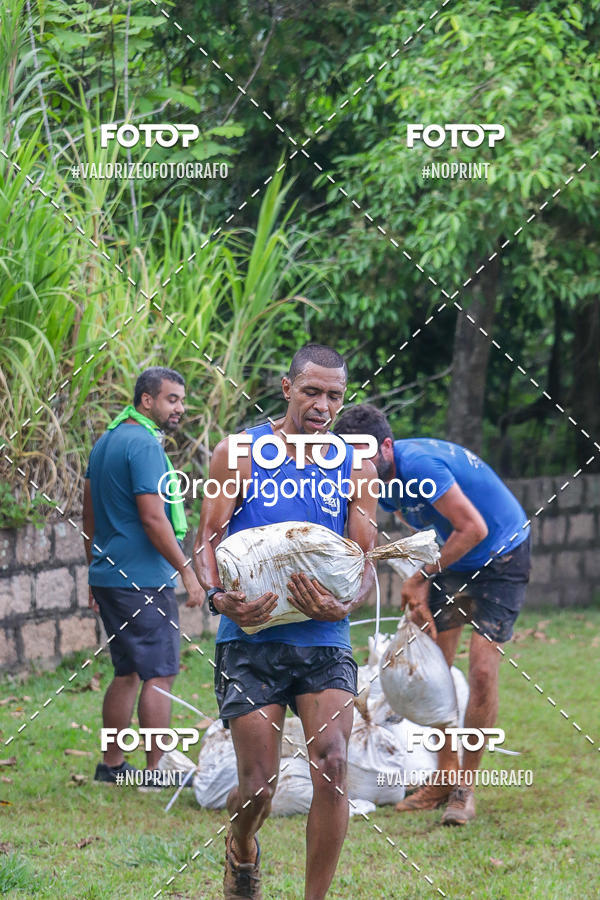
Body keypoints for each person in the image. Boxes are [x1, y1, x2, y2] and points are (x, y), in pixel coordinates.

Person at [194, 344, 378, 900]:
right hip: (250, 638)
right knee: (258, 786)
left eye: (334, 396)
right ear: (286, 387)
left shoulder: (356, 465)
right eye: (312, 392)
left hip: (323, 638)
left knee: (335, 764)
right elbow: (205, 541)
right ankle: (242, 845)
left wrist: (345, 604)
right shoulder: (240, 454)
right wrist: (217, 597)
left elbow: (364, 561)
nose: (323, 405)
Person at [334, 403, 531, 826]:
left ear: (387, 446)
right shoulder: (373, 477)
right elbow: (412, 519)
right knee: (432, 670)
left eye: (364, 456)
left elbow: (474, 528)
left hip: (501, 556)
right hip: (454, 560)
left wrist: (421, 576)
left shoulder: (420, 465)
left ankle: (465, 789)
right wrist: (424, 573)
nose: (357, 467)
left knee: (480, 671)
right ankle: (443, 775)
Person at [83, 366, 203, 784]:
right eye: (172, 399)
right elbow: (154, 519)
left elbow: (88, 515)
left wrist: (92, 570)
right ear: (147, 400)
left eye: (181, 400)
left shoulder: (106, 441)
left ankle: (112, 765)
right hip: (141, 581)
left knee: (128, 671)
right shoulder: (144, 445)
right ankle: (156, 771)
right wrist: (187, 571)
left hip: (111, 576)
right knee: (160, 673)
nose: (180, 408)